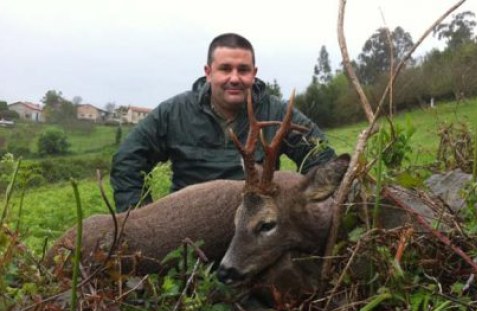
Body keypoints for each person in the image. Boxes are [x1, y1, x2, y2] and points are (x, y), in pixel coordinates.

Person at [110, 33, 336, 213]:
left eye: (243, 70)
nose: (235, 78)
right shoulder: (173, 112)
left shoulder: (276, 111)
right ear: (208, 72)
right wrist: (143, 217)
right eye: (225, 69)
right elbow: (127, 160)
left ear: (254, 74)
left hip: (255, 227)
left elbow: (321, 155)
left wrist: (303, 205)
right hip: (187, 227)